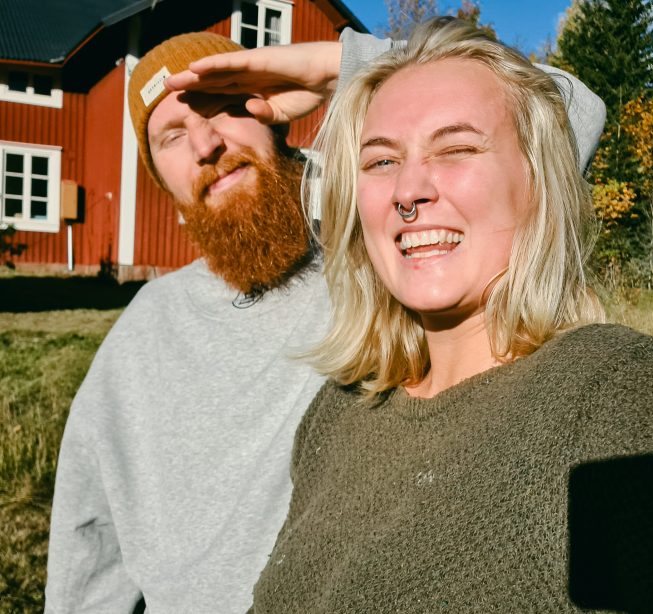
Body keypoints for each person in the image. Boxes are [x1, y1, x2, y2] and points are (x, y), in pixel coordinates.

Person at [45, 28, 607, 614]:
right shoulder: (143, 336)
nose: (205, 144)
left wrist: (338, 67)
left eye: (224, 106)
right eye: (170, 138)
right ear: (162, 183)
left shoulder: (383, 246)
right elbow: (88, 538)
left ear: (272, 114)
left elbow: (570, 113)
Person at [246, 18, 653, 613]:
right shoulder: (339, 410)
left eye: (457, 149)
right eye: (381, 162)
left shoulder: (630, 391)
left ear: (540, 183)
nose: (408, 191)